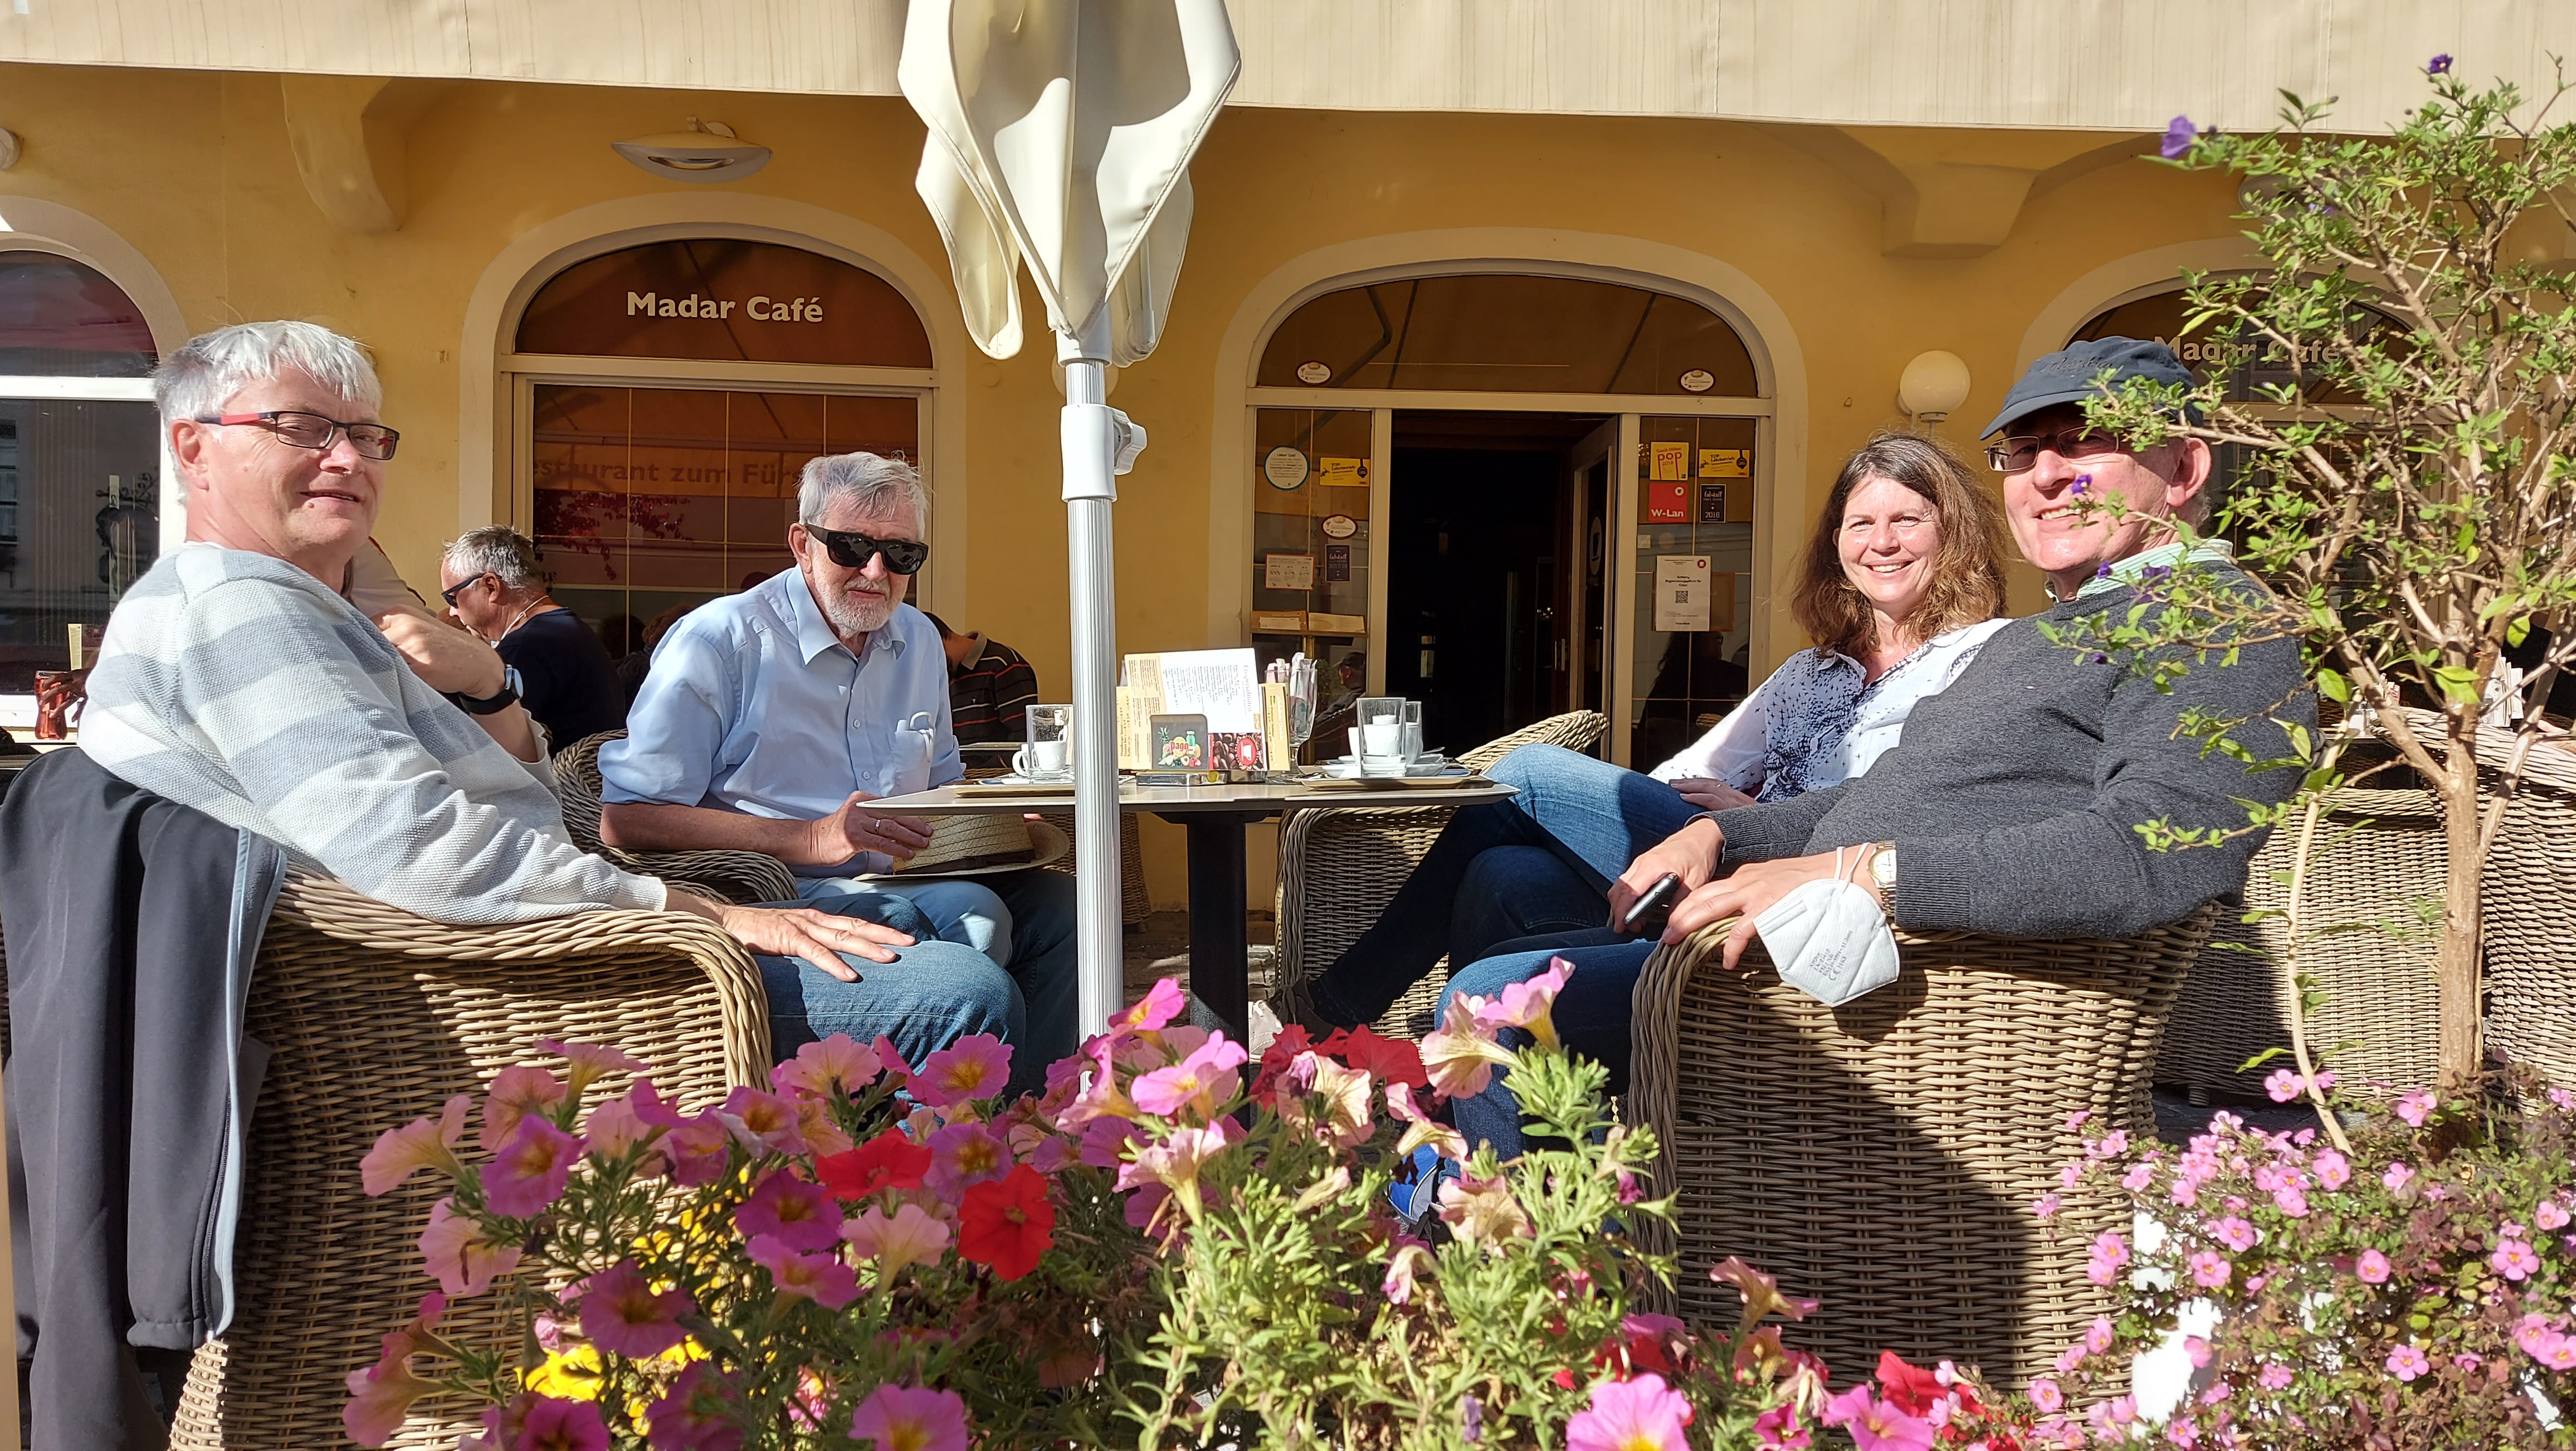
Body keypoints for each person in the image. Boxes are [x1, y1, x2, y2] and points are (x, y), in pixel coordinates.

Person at [1441, 338, 2311, 1157]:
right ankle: (1504, 1192)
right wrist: (1720, 834)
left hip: (1897, 990)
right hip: (1801, 937)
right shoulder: (2048, 634)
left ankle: (1525, 1240)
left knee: (1486, 1005)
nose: (2047, 474)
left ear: (2184, 469)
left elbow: (2153, 855)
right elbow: (1880, 792)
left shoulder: (2219, 628)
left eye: (2088, 442)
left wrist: (1859, 874)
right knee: (1508, 892)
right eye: (2023, 450)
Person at [78, 320, 1008, 1066]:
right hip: (500, 985)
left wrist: (487, 686)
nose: (348, 459)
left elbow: (509, 795)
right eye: (302, 428)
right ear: (194, 448)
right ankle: (901, 1219)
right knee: (960, 991)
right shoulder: (237, 608)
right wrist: (715, 915)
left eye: (364, 434)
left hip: (548, 934)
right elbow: (427, 851)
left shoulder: (299, 608)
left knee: (1026, 918)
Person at [1292, 432, 2013, 1033]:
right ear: (1837, 543)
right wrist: (1682, 821)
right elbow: (1687, 774)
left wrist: (1756, 819)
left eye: (1907, 520)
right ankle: (1464, 1103)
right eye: (1861, 524)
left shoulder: (1983, 659)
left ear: (1952, 534)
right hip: (1710, 854)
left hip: (1807, 880)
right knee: (1504, 872)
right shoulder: (1811, 671)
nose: (1882, 542)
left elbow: (1930, 807)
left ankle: (1335, 1010)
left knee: (1531, 775)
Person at [596, 452, 1079, 1093]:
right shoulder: (719, 642)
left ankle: (1028, 1117)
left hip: (904, 875)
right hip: (771, 891)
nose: (876, 572)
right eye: (852, 547)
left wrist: (991, 824)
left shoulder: (917, 641)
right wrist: (809, 837)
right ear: (803, 544)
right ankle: (924, 1126)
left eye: (901, 554)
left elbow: (940, 785)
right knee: (978, 916)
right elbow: (625, 821)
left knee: (1066, 908)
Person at [440, 524, 628, 748]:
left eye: (452, 598)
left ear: (491, 587)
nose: (452, 612)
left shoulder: (527, 648)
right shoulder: (561, 630)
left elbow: (483, 748)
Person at [925, 611, 1041, 744]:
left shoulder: (1002, 665)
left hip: (998, 759)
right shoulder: (947, 675)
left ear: (935, 641)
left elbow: (1024, 737)